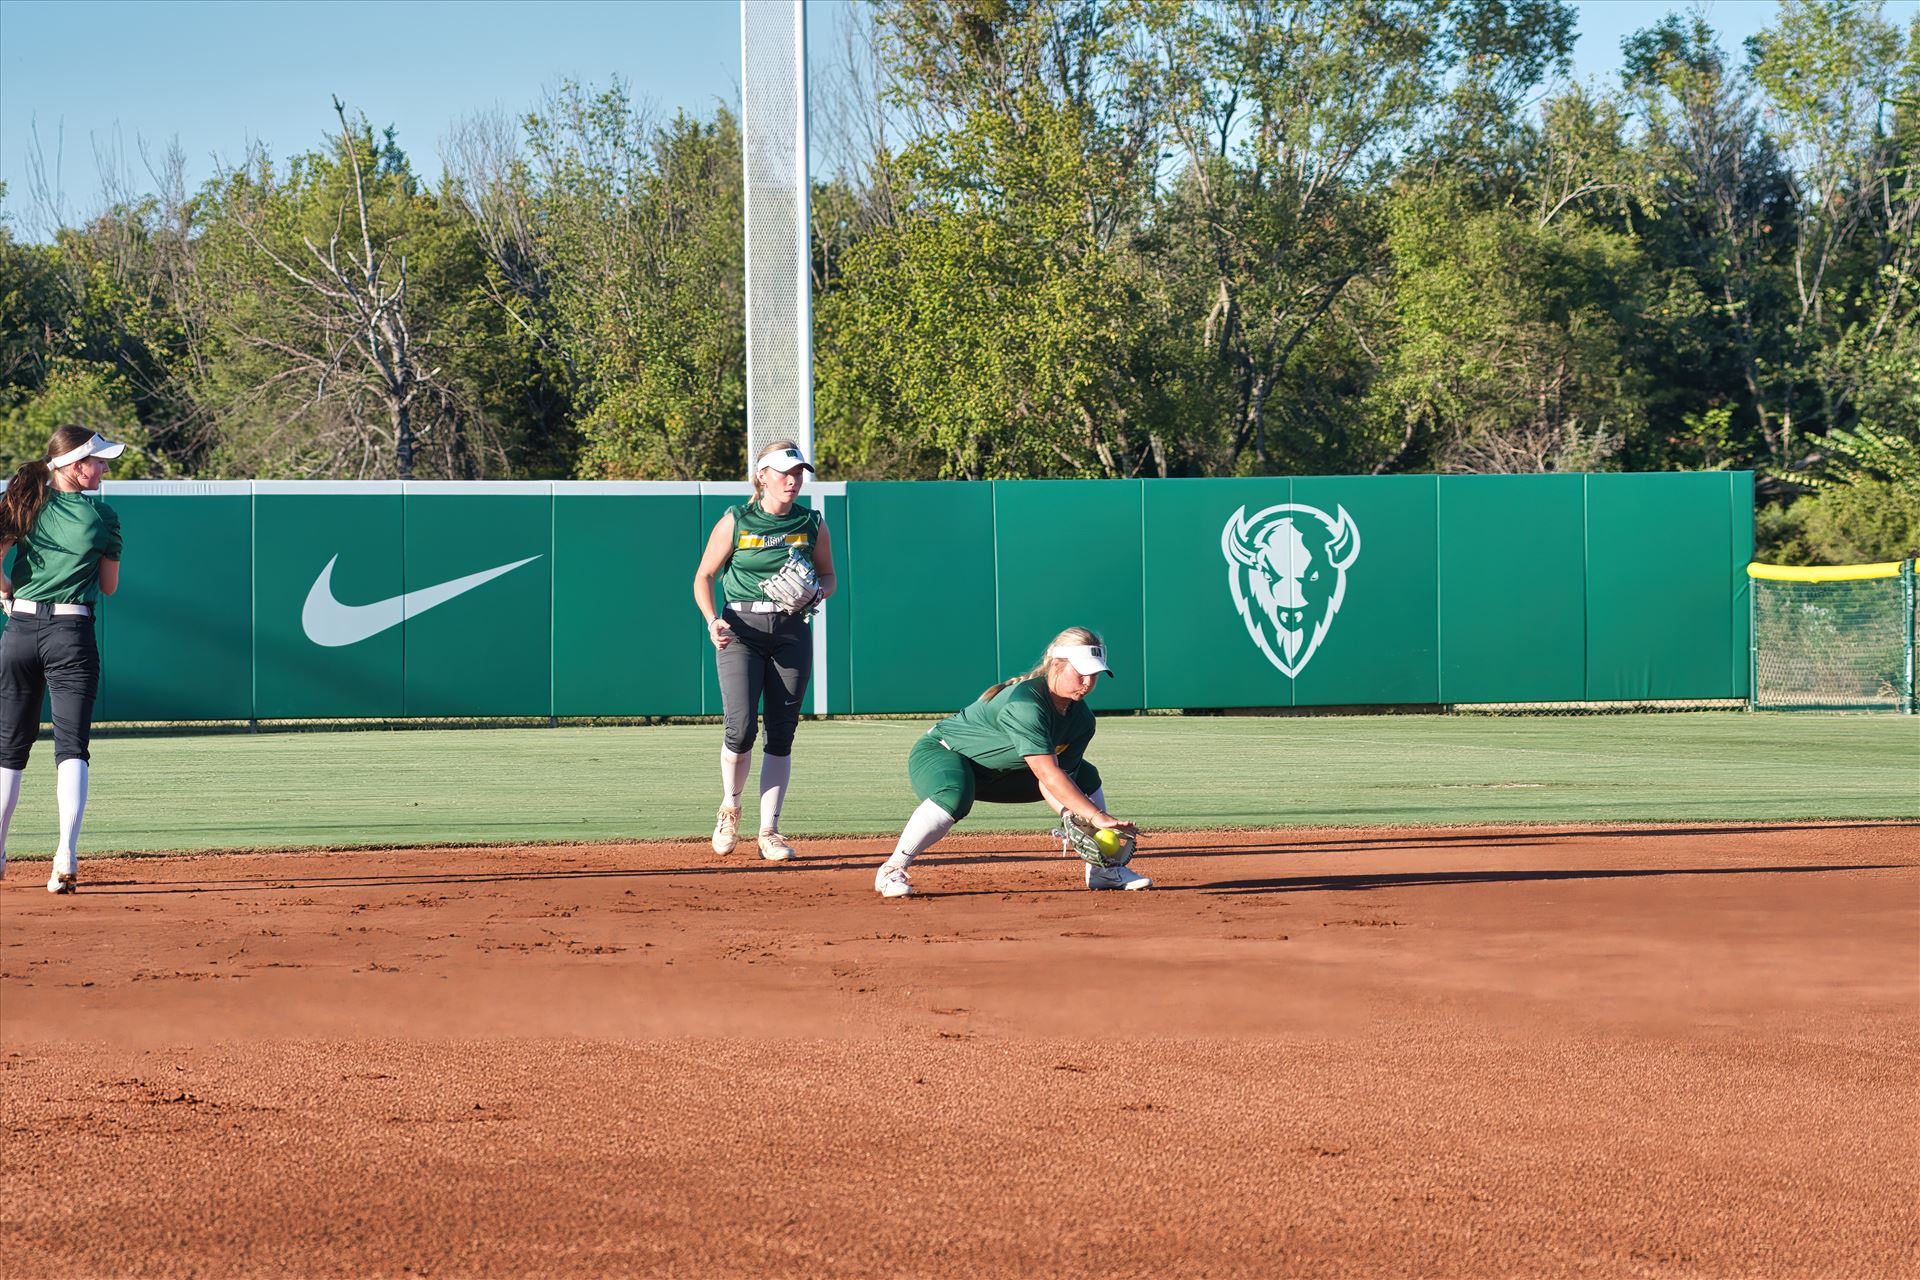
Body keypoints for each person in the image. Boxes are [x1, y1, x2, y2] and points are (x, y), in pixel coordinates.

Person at [873, 626, 1148, 898]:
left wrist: (1072, 816)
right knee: (956, 794)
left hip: (1003, 774)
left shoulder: (1082, 720)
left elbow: (1053, 780)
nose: (1088, 682)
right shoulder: (1026, 704)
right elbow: (1047, 772)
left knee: (1084, 777)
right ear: (1056, 665)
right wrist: (1096, 817)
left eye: (1095, 674)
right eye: (1081, 672)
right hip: (944, 756)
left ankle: (1103, 870)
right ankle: (892, 868)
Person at [692, 439, 836, 862]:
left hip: (791, 629)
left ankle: (770, 831)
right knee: (740, 728)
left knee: (782, 730)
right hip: (740, 629)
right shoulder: (737, 520)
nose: (793, 481)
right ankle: (729, 808)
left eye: (798, 474)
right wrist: (711, 620)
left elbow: (829, 576)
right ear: (763, 476)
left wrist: (815, 593)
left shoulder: (812, 523)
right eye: (785, 473)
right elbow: (703, 575)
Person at [0, 427, 125, 893]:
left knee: (9, 749)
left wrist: (5, 590)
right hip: (71, 633)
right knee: (71, 747)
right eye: (99, 461)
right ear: (75, 465)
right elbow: (109, 587)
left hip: (19, 632)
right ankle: (64, 856)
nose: (105, 468)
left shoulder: (23, 503)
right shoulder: (104, 516)